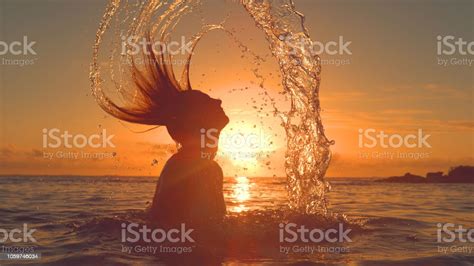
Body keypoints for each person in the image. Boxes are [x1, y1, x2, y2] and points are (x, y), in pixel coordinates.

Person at [94, 35, 228, 225]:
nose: (218, 101)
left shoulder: (194, 163)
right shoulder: (195, 167)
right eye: (206, 101)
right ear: (197, 121)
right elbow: (200, 233)